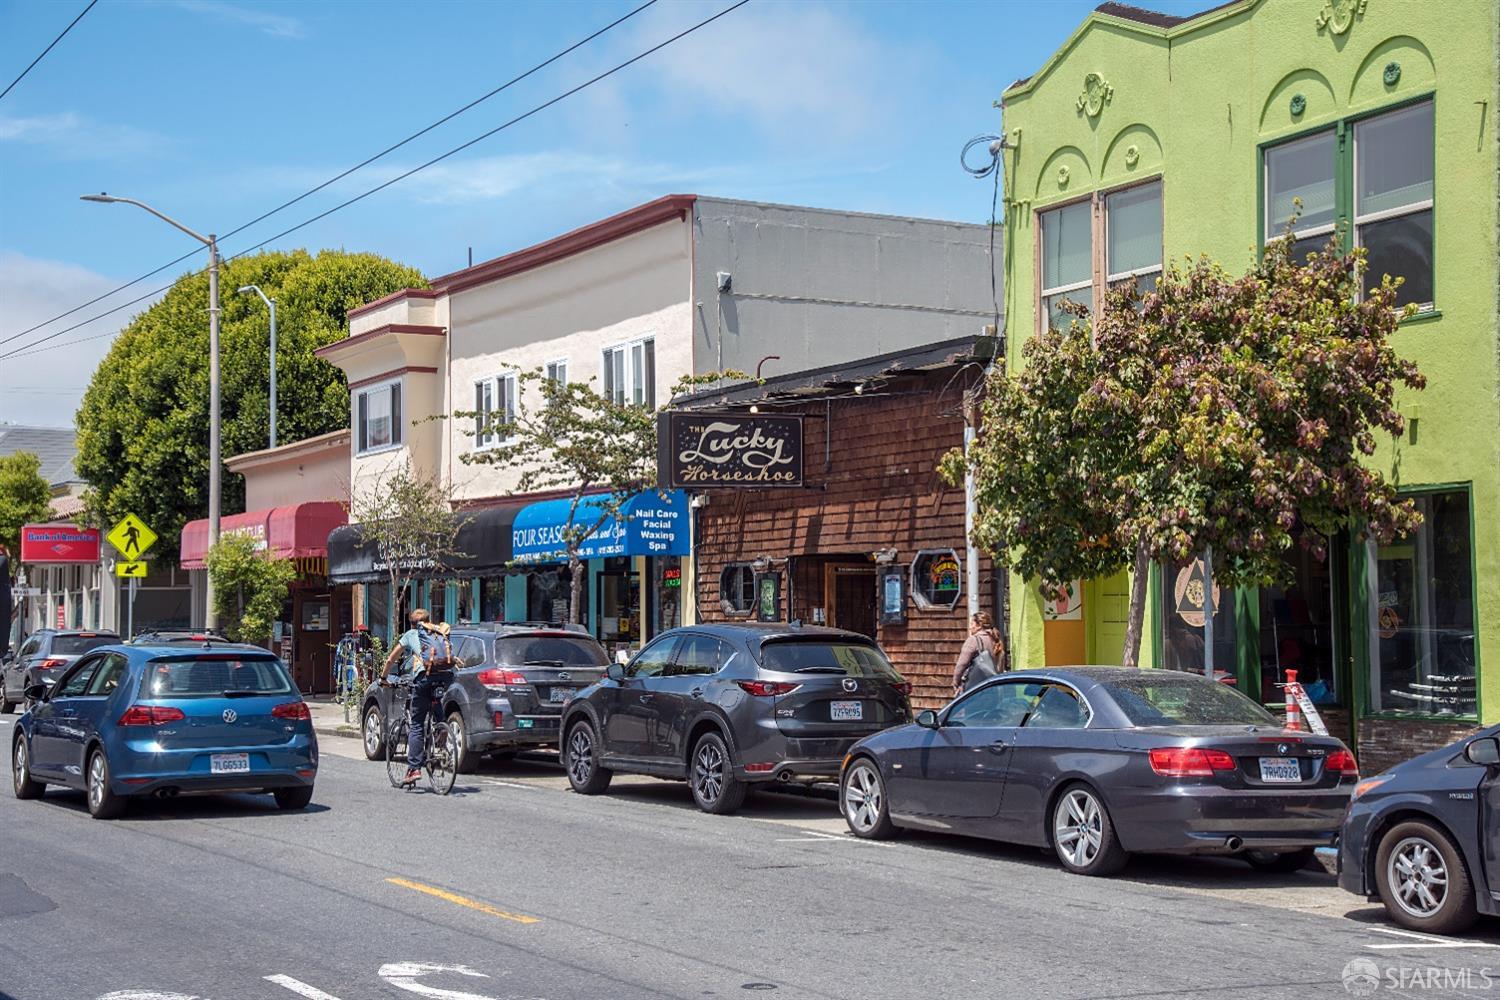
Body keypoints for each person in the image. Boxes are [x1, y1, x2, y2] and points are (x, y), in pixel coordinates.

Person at [378, 609, 454, 787]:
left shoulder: (412, 634)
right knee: (435, 700)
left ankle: (414, 768)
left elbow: (391, 659)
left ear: (412, 624)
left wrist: (383, 679)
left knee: (417, 723)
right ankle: (441, 727)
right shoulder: (438, 631)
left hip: (424, 677)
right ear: (429, 620)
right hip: (445, 675)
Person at [952, 612, 1005, 695]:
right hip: (993, 688)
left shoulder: (974, 640)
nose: (970, 627)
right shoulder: (996, 640)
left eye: (972, 624)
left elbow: (961, 664)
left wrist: (956, 682)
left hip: (976, 689)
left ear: (979, 625)